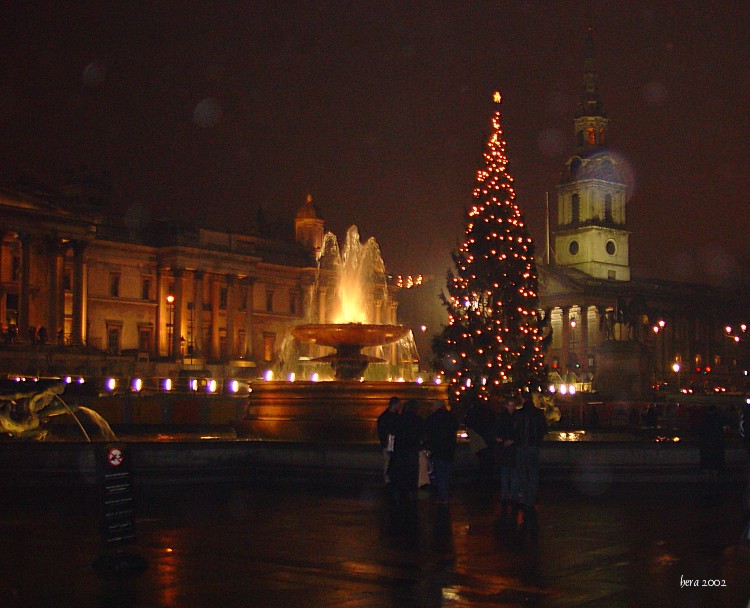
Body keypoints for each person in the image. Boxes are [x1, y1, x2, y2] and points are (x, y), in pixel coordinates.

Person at [511, 396, 548, 509]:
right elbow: (544, 429)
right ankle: (531, 498)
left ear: (523, 400)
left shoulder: (519, 414)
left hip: (522, 446)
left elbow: (514, 430)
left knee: (522, 472)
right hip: (534, 446)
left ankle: (525, 496)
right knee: (533, 472)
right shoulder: (539, 413)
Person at [387, 398, 424, 508]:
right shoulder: (418, 420)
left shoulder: (398, 419)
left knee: (399, 476)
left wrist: (390, 449)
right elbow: (422, 436)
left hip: (399, 452)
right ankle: (411, 501)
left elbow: (391, 435)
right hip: (412, 452)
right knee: (411, 477)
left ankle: (398, 500)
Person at [424, 399, 459, 504]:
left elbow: (428, 433)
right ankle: (445, 493)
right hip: (449, 449)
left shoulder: (432, 418)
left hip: (437, 449)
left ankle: (442, 495)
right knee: (447, 471)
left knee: (439, 472)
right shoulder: (451, 417)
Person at [465, 397, 497, 486]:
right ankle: (489, 477)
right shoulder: (488, 411)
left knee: (482, 458)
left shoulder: (473, 412)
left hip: (480, 438)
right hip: (488, 437)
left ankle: (483, 477)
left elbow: (469, 422)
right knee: (488, 458)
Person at [496, 397, 518, 511]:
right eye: (510, 405)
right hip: (506, 449)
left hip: (509, 448)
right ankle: (507, 494)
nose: (512, 408)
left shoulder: (513, 417)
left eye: (513, 405)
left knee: (510, 472)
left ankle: (511, 494)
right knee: (507, 472)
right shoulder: (505, 417)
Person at [377, 397, 400, 485]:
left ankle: (388, 480)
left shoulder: (384, 417)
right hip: (390, 443)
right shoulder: (394, 417)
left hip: (387, 443)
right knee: (389, 462)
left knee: (388, 462)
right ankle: (390, 480)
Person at [699, 405, 725, 482]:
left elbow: (701, 431)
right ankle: (714, 475)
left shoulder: (704, 419)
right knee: (715, 459)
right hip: (715, 443)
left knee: (707, 458)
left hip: (706, 443)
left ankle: (707, 475)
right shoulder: (717, 419)